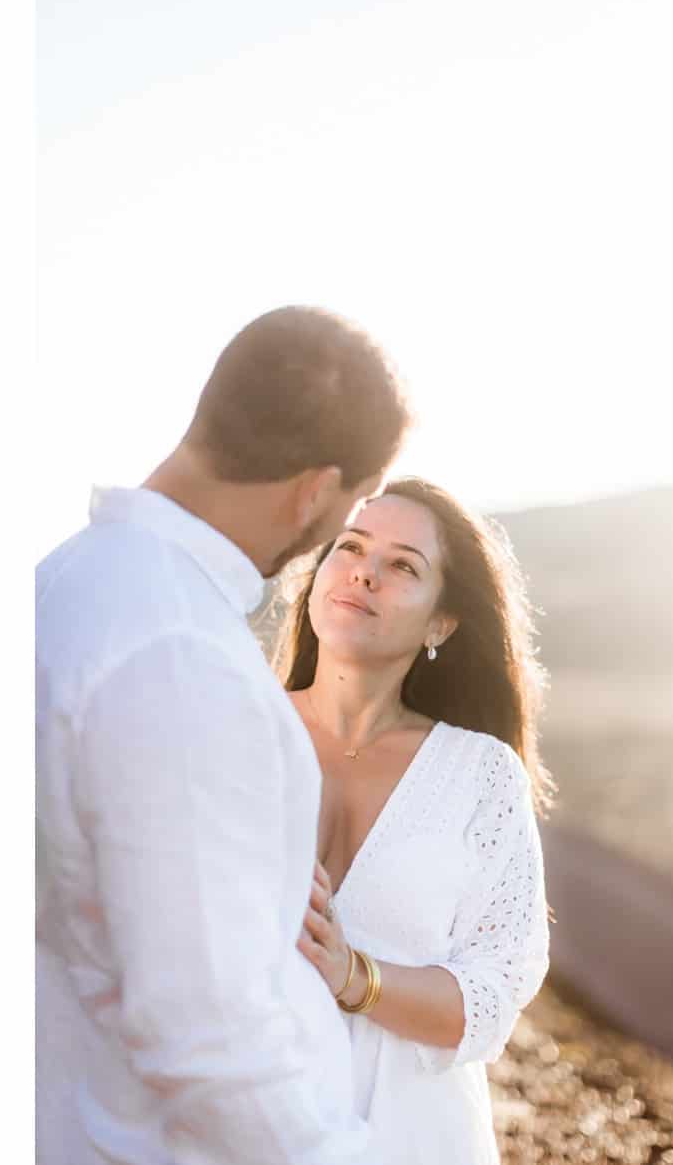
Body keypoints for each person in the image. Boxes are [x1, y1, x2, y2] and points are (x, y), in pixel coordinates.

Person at [36, 306, 412, 1164]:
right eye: (354, 503)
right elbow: (204, 1036)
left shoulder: (69, 577)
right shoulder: (181, 658)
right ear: (316, 490)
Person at [282, 477, 551, 1164]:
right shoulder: (233, 721)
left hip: (416, 1138)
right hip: (242, 1118)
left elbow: (493, 995)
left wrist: (354, 976)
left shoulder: (482, 776)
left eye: (403, 565)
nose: (365, 572)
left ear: (441, 623)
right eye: (351, 547)